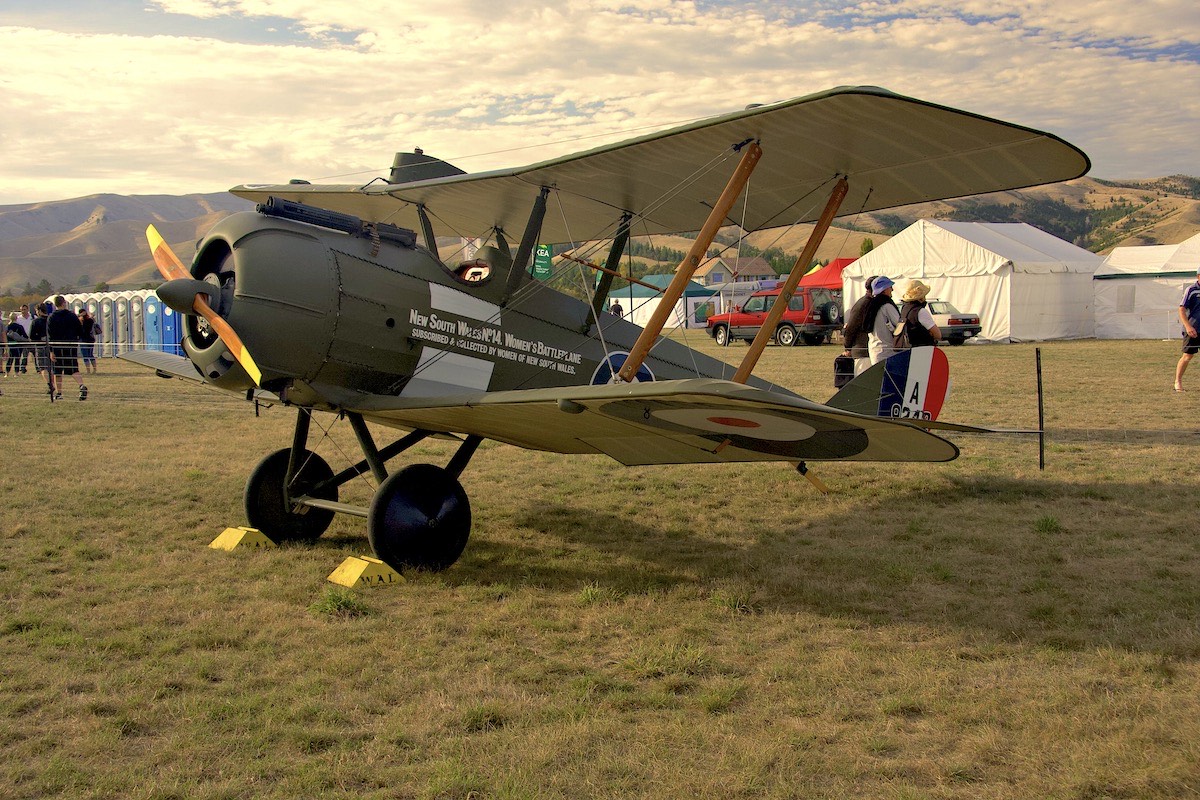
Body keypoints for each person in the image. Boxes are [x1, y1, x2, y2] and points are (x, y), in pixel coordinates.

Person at [47, 295, 87, 400]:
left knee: (57, 371)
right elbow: (80, 330)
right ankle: (81, 385)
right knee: (73, 368)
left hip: (57, 347)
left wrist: (51, 351)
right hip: (71, 346)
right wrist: (77, 338)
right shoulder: (72, 316)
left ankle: (59, 393)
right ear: (64, 303)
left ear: (55, 304)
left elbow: (50, 335)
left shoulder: (52, 317)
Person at [841, 275, 877, 376]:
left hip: (868, 352)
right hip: (862, 352)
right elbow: (851, 328)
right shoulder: (863, 304)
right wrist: (847, 347)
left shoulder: (871, 303)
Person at [895, 279, 942, 348]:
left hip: (909, 349)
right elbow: (938, 335)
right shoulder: (921, 311)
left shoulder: (904, 309)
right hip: (923, 349)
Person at [864, 276, 900, 364]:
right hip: (888, 352)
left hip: (874, 350)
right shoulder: (886, 305)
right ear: (884, 289)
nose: (892, 289)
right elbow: (900, 324)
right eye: (890, 287)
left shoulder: (871, 305)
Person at [1175, 267, 1200, 391]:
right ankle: (1178, 382)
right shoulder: (1191, 290)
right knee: (1187, 356)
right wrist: (1188, 326)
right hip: (1193, 329)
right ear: (1198, 276)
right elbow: (1181, 309)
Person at [29, 303, 53, 394]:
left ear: (39, 311)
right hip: (52, 346)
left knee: (43, 368)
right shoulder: (51, 320)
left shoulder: (36, 322)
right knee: (51, 367)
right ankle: (55, 385)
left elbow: (31, 336)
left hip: (40, 346)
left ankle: (50, 385)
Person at [78, 307, 100, 374]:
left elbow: (84, 330)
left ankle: (92, 370)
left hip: (86, 339)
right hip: (86, 339)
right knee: (87, 355)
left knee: (88, 355)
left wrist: (81, 322)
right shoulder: (88, 320)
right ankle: (90, 370)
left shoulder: (88, 320)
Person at [13, 303, 33, 373]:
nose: (23, 311)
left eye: (24, 309)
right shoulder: (18, 319)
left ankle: (38, 368)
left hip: (32, 339)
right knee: (24, 355)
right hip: (23, 339)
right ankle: (23, 367)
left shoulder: (32, 317)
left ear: (27, 309)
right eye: (21, 310)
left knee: (36, 354)